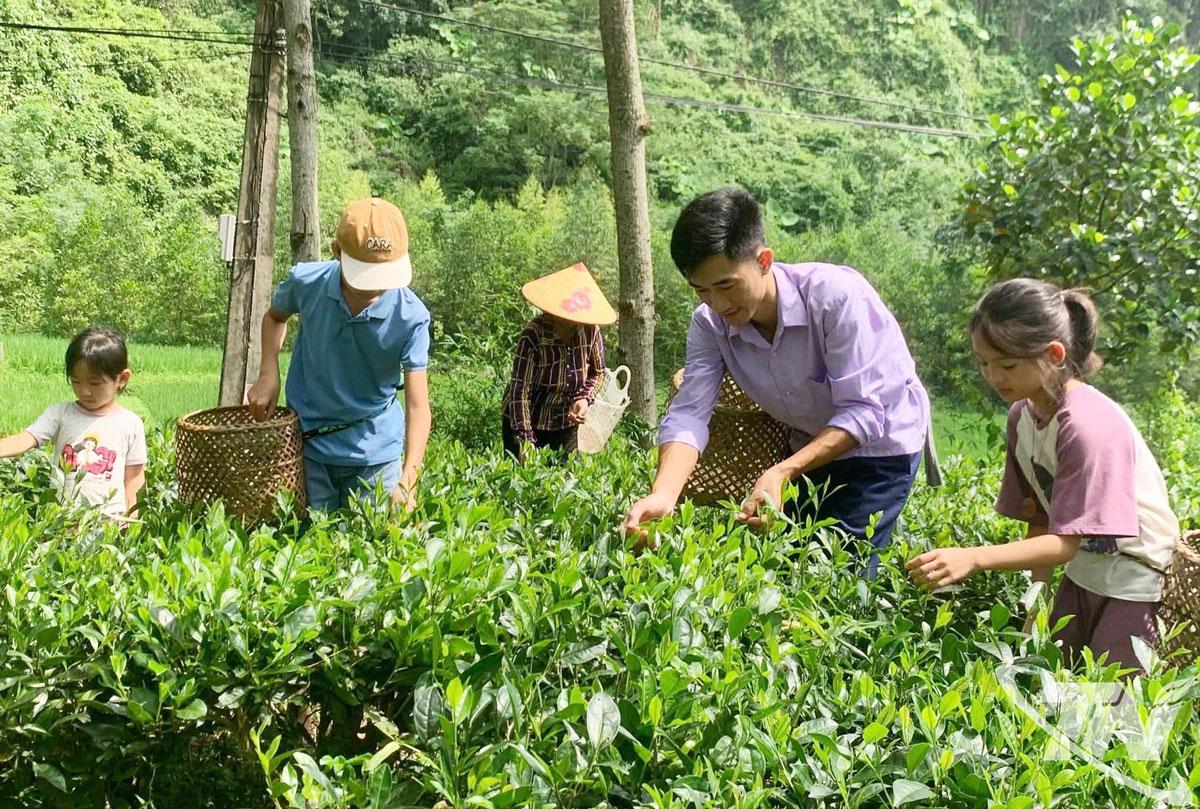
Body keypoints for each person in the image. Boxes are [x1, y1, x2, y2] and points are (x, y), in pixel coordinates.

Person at [624, 187, 931, 571]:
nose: (718, 304)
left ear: (764, 261)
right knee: (781, 563)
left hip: (882, 446)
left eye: (726, 285)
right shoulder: (708, 325)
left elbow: (864, 413)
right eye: (701, 290)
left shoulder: (836, 299)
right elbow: (689, 414)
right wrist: (664, 494)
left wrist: (782, 471)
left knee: (837, 575)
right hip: (809, 445)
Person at [907, 279, 1178, 673]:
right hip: (1083, 575)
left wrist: (973, 558)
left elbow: (1063, 541)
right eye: (983, 362)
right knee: (1055, 697)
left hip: (1135, 582)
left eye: (1007, 364)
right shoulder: (1023, 416)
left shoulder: (1087, 425)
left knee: (1118, 714)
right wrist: (1037, 604)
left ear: (1054, 354)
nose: (992, 376)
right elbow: (1039, 519)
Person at [247, 197, 432, 513]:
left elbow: (418, 405)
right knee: (307, 544)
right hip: (309, 446)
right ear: (336, 252)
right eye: (367, 276)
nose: (376, 288)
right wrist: (268, 372)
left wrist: (408, 480)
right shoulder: (307, 283)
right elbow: (275, 316)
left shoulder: (411, 316)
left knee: (372, 548)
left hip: (376, 455)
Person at [0, 326, 147, 519]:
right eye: (76, 381)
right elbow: (27, 438)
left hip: (110, 522)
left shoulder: (130, 423)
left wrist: (131, 520)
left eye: (95, 383)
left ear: (122, 379)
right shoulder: (60, 414)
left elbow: (134, 478)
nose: (84, 391)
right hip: (62, 520)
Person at [501, 262, 614, 461]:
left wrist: (584, 398)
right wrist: (526, 440)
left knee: (565, 479)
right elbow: (520, 392)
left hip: (564, 422)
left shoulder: (590, 331)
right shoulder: (533, 336)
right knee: (522, 480)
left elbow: (599, 372)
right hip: (527, 419)